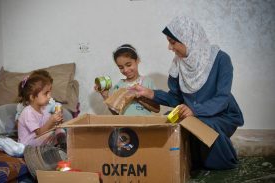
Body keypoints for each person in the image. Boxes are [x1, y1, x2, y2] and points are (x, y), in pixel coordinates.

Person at [131, 16, 244, 170]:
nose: (169, 48)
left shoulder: (220, 60)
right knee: (167, 122)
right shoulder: (178, 64)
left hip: (221, 115)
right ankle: (183, 162)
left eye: (172, 42)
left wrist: (194, 110)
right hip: (193, 114)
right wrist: (149, 93)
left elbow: (222, 99)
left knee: (203, 124)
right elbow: (175, 98)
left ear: (188, 38)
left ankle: (224, 163)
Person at [95, 44, 158, 115]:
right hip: (125, 126)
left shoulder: (148, 82)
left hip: (143, 125)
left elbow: (156, 109)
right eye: (121, 67)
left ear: (137, 60)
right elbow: (115, 114)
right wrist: (105, 96)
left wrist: (138, 97)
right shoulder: (119, 86)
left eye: (128, 65)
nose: (125, 70)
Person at [17, 71, 65, 147]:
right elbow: (39, 133)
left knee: (58, 129)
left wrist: (57, 121)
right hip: (27, 145)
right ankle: (58, 146)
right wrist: (51, 121)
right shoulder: (28, 112)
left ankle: (62, 144)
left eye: (49, 92)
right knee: (49, 135)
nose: (49, 96)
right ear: (32, 97)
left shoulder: (43, 109)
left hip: (39, 139)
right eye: (46, 93)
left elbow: (48, 128)